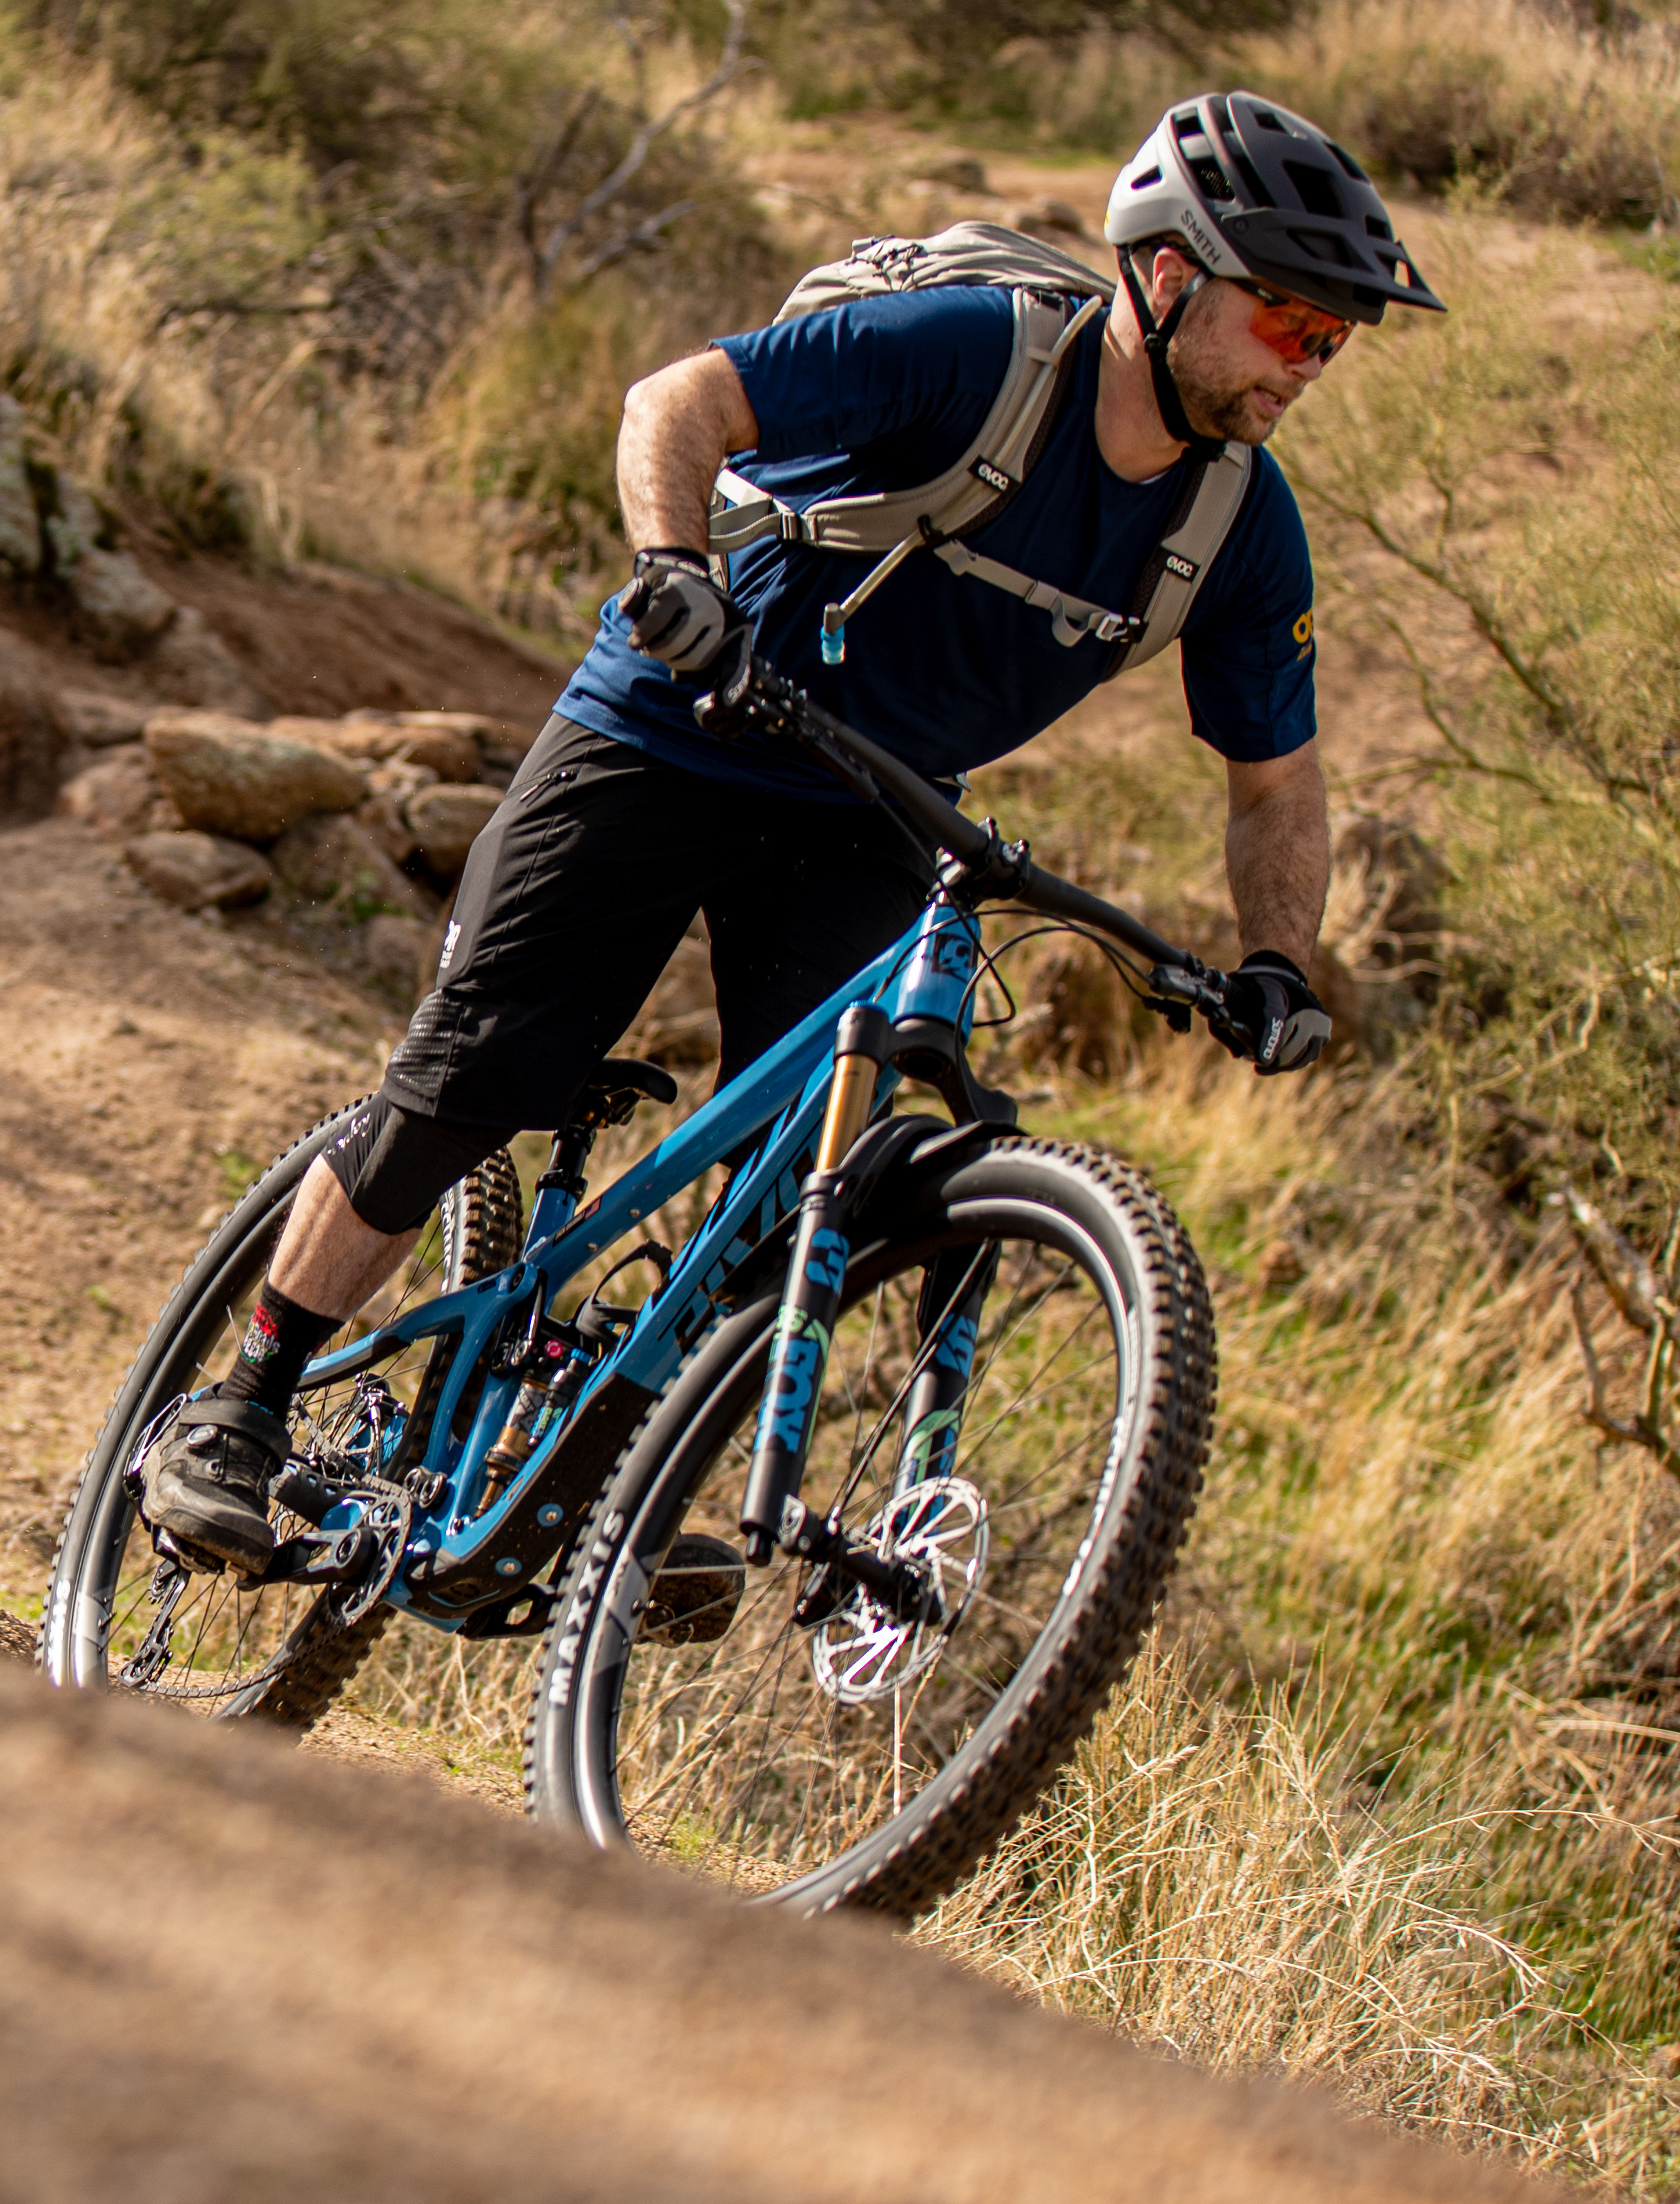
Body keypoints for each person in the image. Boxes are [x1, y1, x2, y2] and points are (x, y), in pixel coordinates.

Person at [142, 92, 1446, 1574]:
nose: (1311, 366)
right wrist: (673, 571)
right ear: (1165, 276)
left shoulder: (1243, 528)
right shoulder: (974, 353)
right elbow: (674, 405)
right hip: (673, 725)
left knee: (815, 1182)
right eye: (1290, 323)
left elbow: (1276, 782)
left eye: (1335, 343)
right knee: (479, 1069)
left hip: (869, 808)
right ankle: (240, 1408)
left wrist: (1281, 962)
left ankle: (620, 1478)